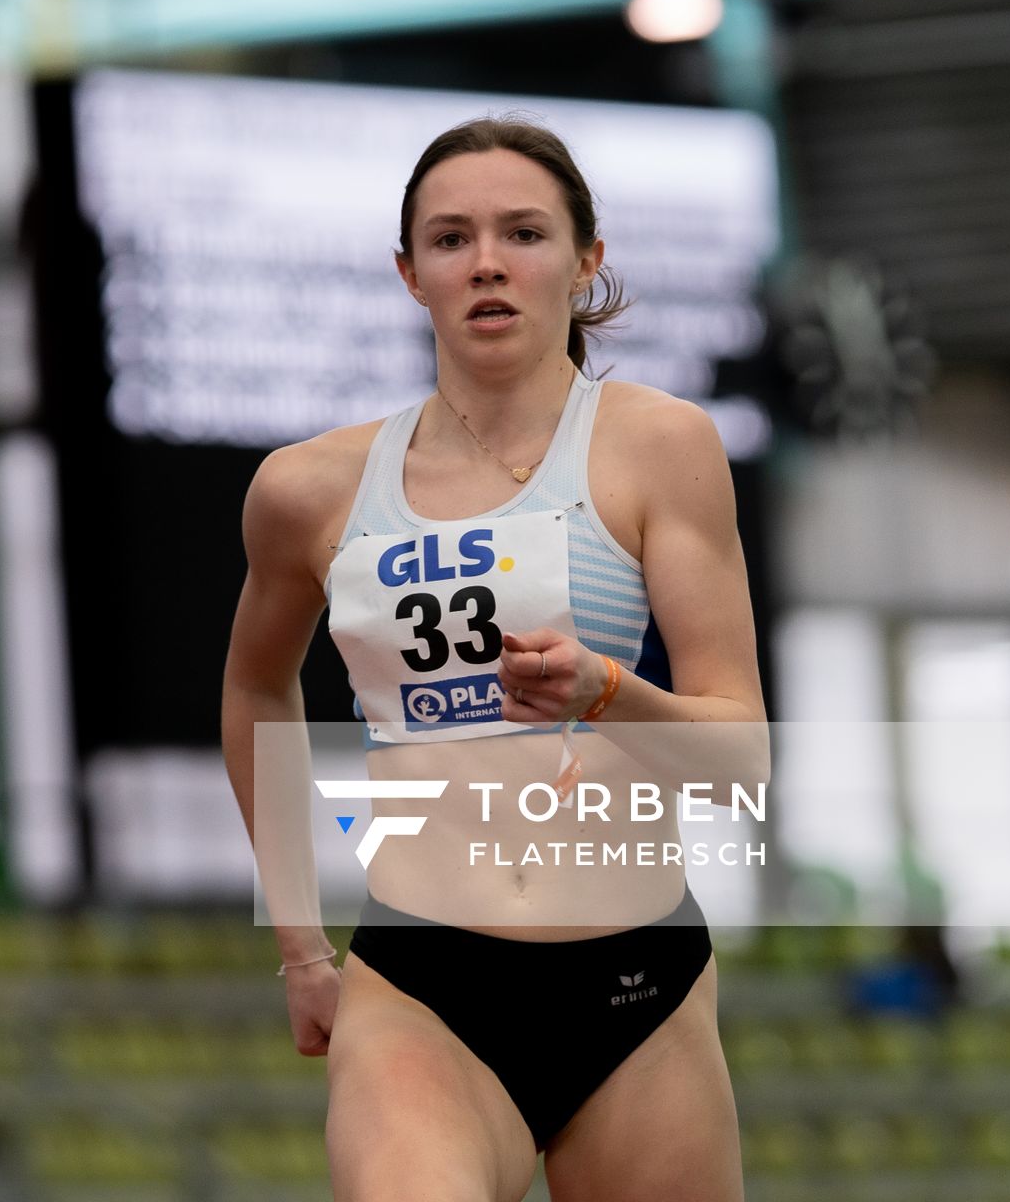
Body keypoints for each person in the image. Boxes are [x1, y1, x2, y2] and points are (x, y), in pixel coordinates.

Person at [222, 116, 767, 1200]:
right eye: (450, 238)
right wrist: (300, 945)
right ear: (409, 273)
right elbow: (253, 682)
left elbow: (741, 758)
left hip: (636, 981)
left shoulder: (662, 447)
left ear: (585, 259)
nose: (486, 262)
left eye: (522, 232)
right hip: (426, 983)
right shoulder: (309, 489)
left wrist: (607, 691)